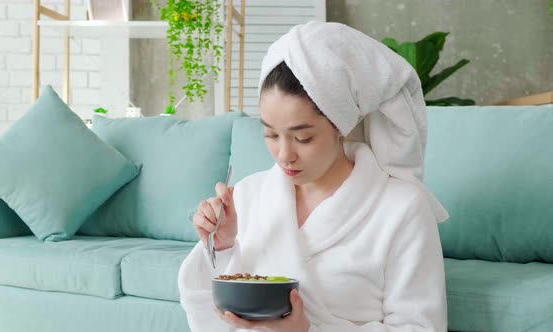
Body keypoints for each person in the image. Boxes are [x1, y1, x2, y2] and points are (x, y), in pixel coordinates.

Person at [178, 21, 448, 332]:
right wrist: (221, 246)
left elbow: (422, 327)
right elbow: (205, 312)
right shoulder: (249, 196)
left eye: (303, 138)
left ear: (340, 125)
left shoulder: (402, 208)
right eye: (270, 134)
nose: (283, 155)